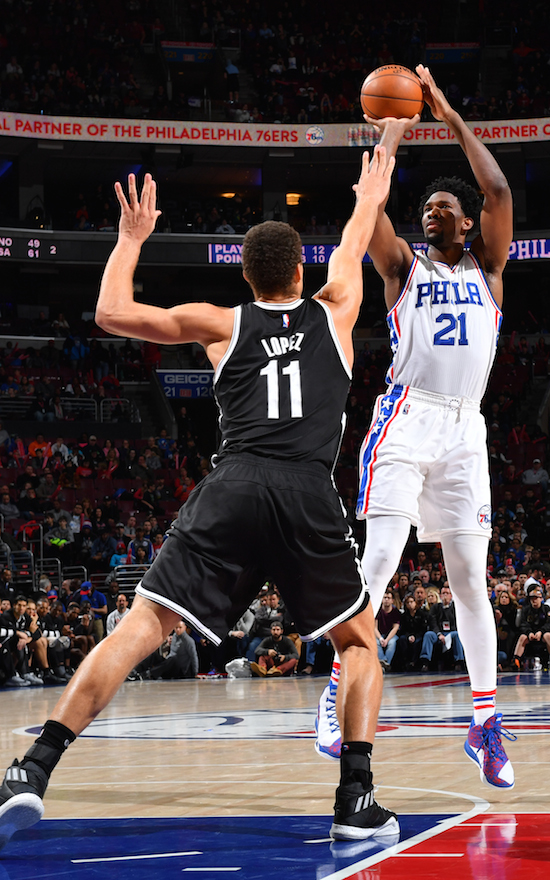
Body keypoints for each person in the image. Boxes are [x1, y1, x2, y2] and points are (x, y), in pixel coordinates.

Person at [0, 151, 399, 846]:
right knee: (359, 642)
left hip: (235, 486)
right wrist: (381, 161)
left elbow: (110, 312)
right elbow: (359, 232)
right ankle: (355, 799)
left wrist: (130, 238)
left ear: (246, 279)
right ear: (301, 273)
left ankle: (33, 769)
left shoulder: (221, 323)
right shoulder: (336, 309)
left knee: (142, 626)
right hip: (306, 491)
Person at [315, 64, 516, 789]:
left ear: (466, 224)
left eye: (443, 209)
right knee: (379, 562)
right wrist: (391, 141)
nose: (432, 213)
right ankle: (336, 694)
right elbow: (371, 222)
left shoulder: (489, 269)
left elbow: (497, 190)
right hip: (405, 418)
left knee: (471, 582)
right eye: (425, 207)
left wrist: (447, 112)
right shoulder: (404, 271)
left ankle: (486, 723)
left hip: (466, 433)